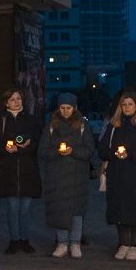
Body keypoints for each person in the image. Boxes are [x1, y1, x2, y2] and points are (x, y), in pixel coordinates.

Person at [39, 93, 96, 258]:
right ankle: (62, 242)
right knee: (59, 210)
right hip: (57, 176)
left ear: (75, 108)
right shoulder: (51, 126)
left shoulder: (83, 125)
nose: (65, 111)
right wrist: (57, 152)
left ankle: (76, 243)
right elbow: (42, 151)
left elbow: (89, 149)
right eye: (62, 108)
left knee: (76, 212)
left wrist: (74, 151)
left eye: (68, 108)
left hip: (77, 176)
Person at [99, 90, 136, 260]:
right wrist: (114, 153)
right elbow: (101, 148)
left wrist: (131, 154)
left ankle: (134, 244)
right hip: (117, 174)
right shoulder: (114, 125)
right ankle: (123, 243)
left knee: (134, 209)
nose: (127, 107)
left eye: (130, 104)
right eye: (124, 105)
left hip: (135, 175)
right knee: (119, 209)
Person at [0, 87, 41, 254]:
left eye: (18, 98)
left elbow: (37, 143)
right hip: (9, 170)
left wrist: (22, 149)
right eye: (12, 99)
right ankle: (14, 240)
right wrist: (7, 148)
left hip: (28, 170)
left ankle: (25, 240)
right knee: (12, 207)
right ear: (6, 102)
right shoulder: (2, 121)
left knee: (26, 208)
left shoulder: (31, 120)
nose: (16, 101)